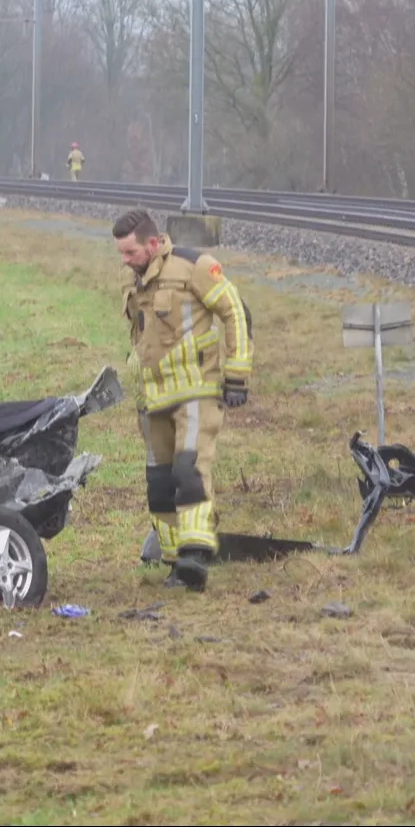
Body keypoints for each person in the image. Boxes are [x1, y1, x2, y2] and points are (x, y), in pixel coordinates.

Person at [113, 208, 252, 592]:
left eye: (130, 252)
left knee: (188, 471)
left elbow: (235, 312)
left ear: (152, 243)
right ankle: (175, 564)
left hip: (196, 393)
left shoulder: (194, 267)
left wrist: (237, 375)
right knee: (159, 486)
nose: (125, 261)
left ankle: (196, 556)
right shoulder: (133, 278)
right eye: (121, 253)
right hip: (152, 399)